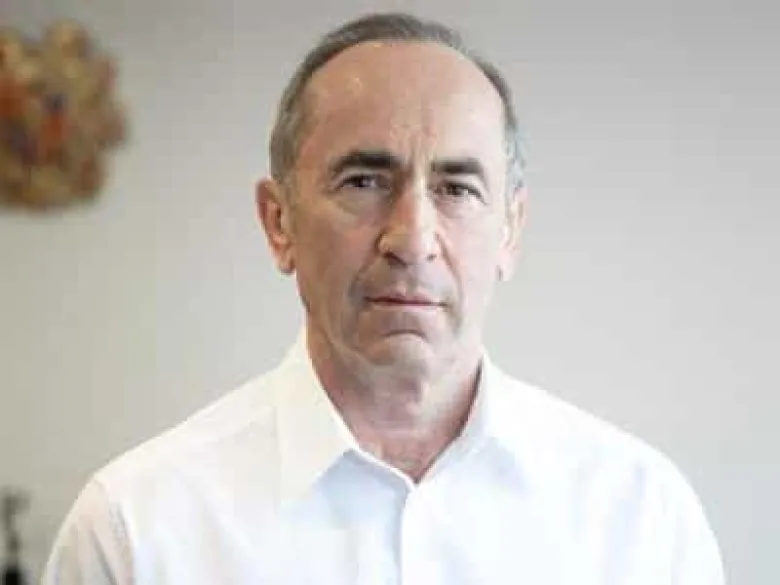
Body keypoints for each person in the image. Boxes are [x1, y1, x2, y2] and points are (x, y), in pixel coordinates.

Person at [42, 12, 725, 584]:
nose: (413, 239)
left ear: (510, 231)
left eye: (457, 188)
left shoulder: (643, 520)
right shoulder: (133, 529)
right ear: (279, 223)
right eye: (365, 181)